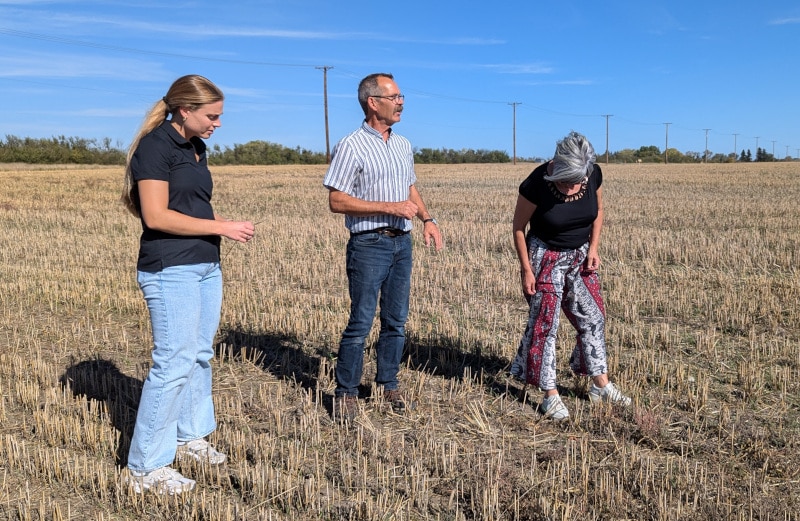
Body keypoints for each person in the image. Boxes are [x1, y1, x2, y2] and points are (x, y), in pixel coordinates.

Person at [120, 74, 255, 494]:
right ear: (184, 110)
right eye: (212, 116)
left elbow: (192, 206)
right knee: (173, 362)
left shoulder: (197, 147)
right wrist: (221, 227)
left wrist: (222, 229)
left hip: (205, 265)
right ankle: (145, 468)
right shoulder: (155, 147)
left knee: (198, 355)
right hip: (169, 268)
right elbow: (156, 216)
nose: (218, 123)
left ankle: (190, 436)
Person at [323, 72, 443, 423]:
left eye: (401, 96)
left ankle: (389, 384)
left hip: (402, 242)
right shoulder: (351, 145)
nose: (401, 102)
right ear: (373, 103)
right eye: (395, 97)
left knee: (396, 321)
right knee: (361, 322)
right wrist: (389, 207)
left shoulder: (403, 145)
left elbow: (409, 188)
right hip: (368, 244)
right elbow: (336, 200)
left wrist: (427, 219)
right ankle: (346, 393)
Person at [510, 131, 631, 420]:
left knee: (593, 318)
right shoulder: (536, 183)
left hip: (580, 256)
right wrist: (526, 269)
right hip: (545, 257)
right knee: (546, 325)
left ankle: (600, 384)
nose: (572, 186)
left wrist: (594, 247)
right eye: (566, 180)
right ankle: (549, 394)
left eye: (577, 180)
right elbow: (518, 228)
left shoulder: (593, 174)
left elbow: (598, 211)